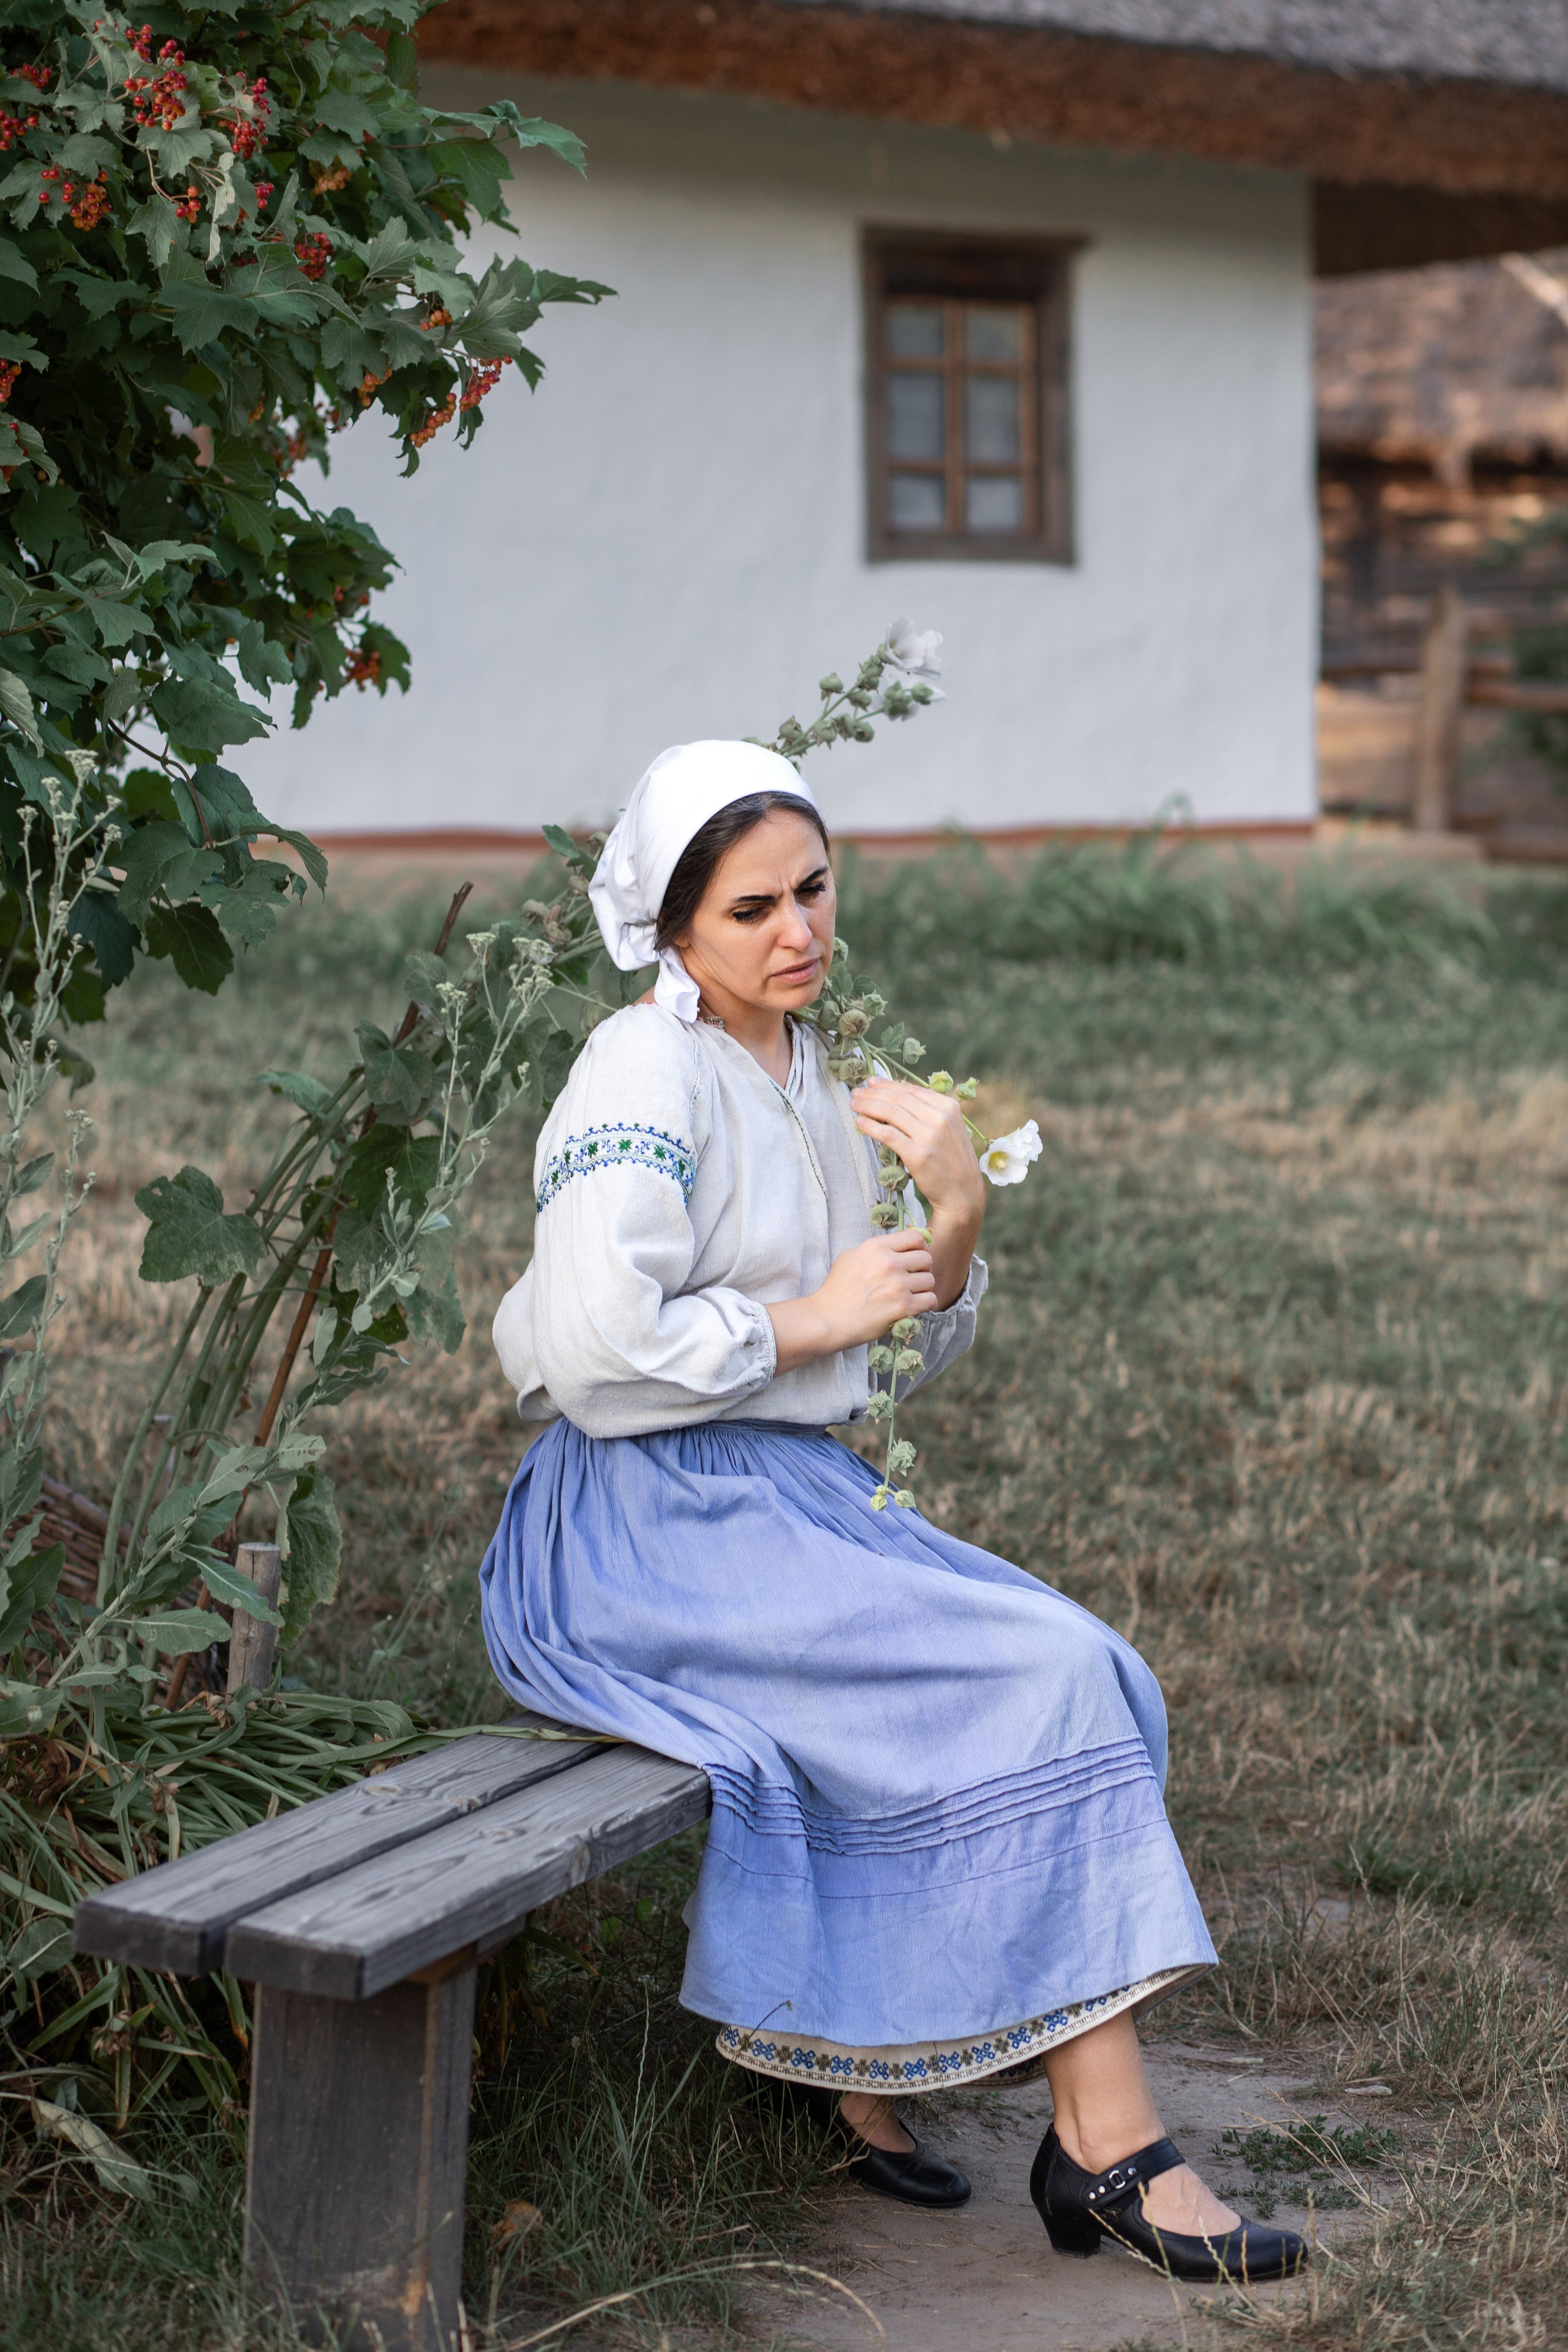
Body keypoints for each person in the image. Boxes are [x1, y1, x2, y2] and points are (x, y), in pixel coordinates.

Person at [481, 739, 1306, 2283]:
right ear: (672, 931)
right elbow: (597, 1347)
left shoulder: (807, 1060)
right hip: (640, 1525)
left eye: (812, 888)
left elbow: (884, 1350)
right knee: (1043, 1675)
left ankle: (858, 2062)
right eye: (748, 910)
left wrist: (955, 1208)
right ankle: (1107, 2153)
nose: (796, 932)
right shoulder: (637, 1070)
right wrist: (804, 1322)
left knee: (1092, 1670)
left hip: (784, 1497)